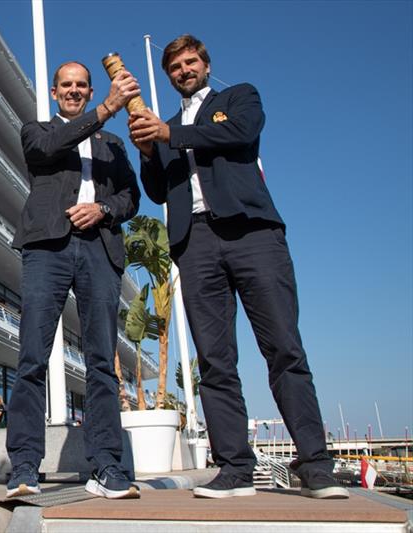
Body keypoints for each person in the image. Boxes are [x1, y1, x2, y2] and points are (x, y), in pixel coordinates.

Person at [128, 34, 348, 500]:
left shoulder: (238, 98)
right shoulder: (164, 128)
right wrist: (149, 153)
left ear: (206, 65)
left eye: (191, 62)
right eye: (175, 67)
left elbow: (238, 135)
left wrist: (170, 136)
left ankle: (316, 466)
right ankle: (234, 469)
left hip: (253, 233)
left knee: (285, 349)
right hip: (196, 242)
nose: (184, 71)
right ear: (169, 76)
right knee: (214, 360)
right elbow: (158, 191)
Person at [5, 61, 141, 500]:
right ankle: (25, 465)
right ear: (53, 91)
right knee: (32, 356)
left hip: (99, 248)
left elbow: (130, 196)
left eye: (82, 86)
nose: (74, 91)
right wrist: (103, 110)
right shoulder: (37, 130)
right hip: (48, 247)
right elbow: (46, 151)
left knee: (102, 362)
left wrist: (103, 210)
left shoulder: (113, 144)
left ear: (88, 88)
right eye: (67, 85)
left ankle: (107, 466)